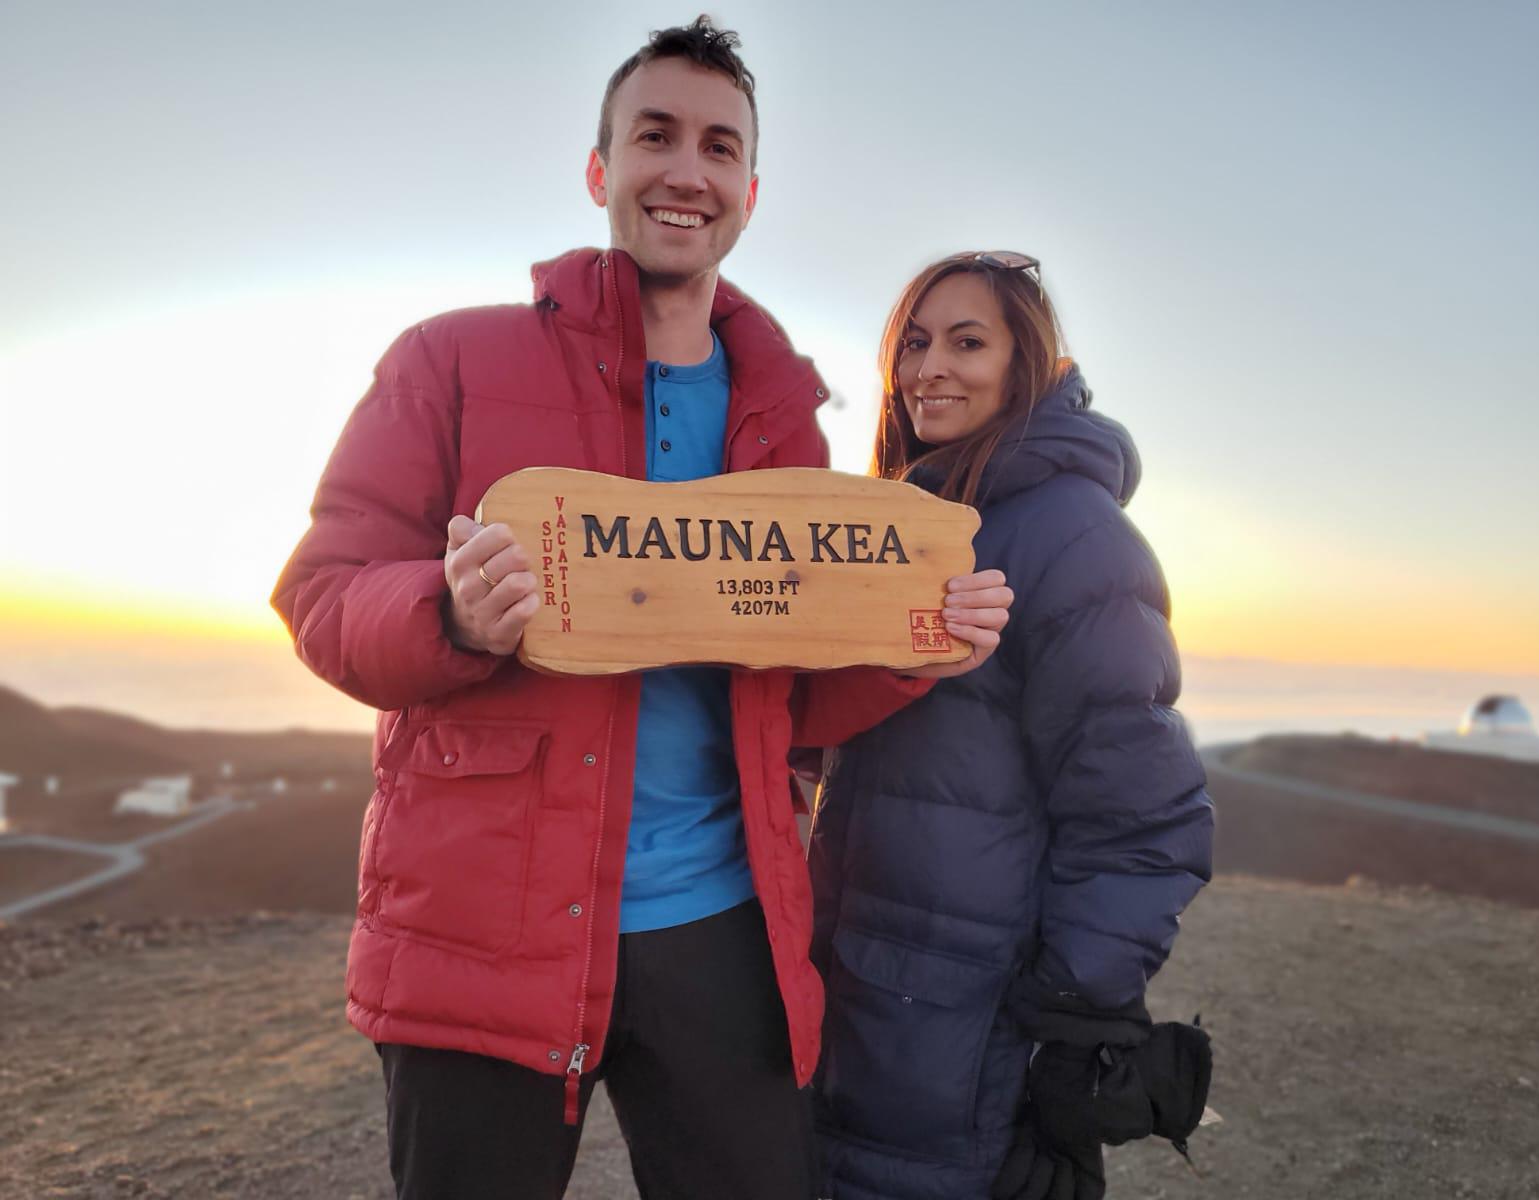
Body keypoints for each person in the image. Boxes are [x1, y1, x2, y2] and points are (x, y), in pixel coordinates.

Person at [270, 21, 1013, 1200]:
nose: (686, 170)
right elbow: (320, 594)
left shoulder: (783, 418)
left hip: (719, 918)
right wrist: (447, 614)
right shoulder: (448, 362)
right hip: (484, 924)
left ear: (750, 192)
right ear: (598, 168)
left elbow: (787, 683)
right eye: (654, 136)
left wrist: (919, 643)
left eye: (719, 147)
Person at [806, 253, 1215, 1200]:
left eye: (967, 341)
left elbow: (1143, 815)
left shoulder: (1076, 539)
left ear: (1024, 365)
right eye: (913, 342)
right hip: (870, 989)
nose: (930, 368)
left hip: (981, 1017)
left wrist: (1071, 1012)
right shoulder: (902, 527)